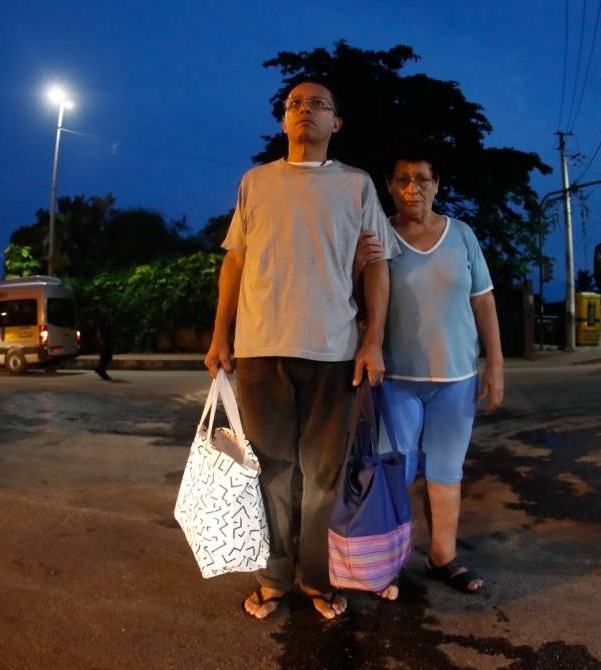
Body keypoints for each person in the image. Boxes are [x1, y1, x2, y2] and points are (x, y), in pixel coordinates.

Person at [204, 81, 398, 621]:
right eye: (294, 104)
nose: (304, 110)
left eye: (317, 104)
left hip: (334, 351)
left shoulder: (356, 186)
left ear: (336, 122)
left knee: (322, 477)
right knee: (268, 471)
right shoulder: (256, 182)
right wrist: (221, 335)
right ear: (283, 121)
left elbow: (378, 266)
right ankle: (273, 578)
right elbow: (235, 262)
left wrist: (373, 339)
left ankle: (315, 578)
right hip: (261, 348)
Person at [354, 146, 503, 596]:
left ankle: (443, 557)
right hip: (397, 379)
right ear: (389, 186)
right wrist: (359, 265)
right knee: (396, 472)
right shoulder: (378, 237)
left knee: (446, 471)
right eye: (401, 179)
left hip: (455, 381)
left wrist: (494, 364)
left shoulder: (462, 236)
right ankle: (391, 563)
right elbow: (361, 308)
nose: (411, 188)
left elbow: (484, 301)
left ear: (437, 185)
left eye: (421, 179)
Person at [92, 300, 114, 380]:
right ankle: (101, 370)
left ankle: (100, 369)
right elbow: (99, 330)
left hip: (108, 339)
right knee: (105, 356)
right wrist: (100, 340)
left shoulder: (108, 317)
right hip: (104, 340)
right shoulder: (102, 318)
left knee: (107, 357)